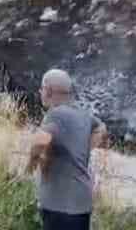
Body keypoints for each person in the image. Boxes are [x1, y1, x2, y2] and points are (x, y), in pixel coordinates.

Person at [27, 69, 107, 230]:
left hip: (60, 205)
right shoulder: (84, 114)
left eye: (42, 89)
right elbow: (102, 129)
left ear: (49, 91)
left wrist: (33, 160)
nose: (40, 92)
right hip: (82, 202)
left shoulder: (55, 114)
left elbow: (41, 140)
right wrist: (84, 148)